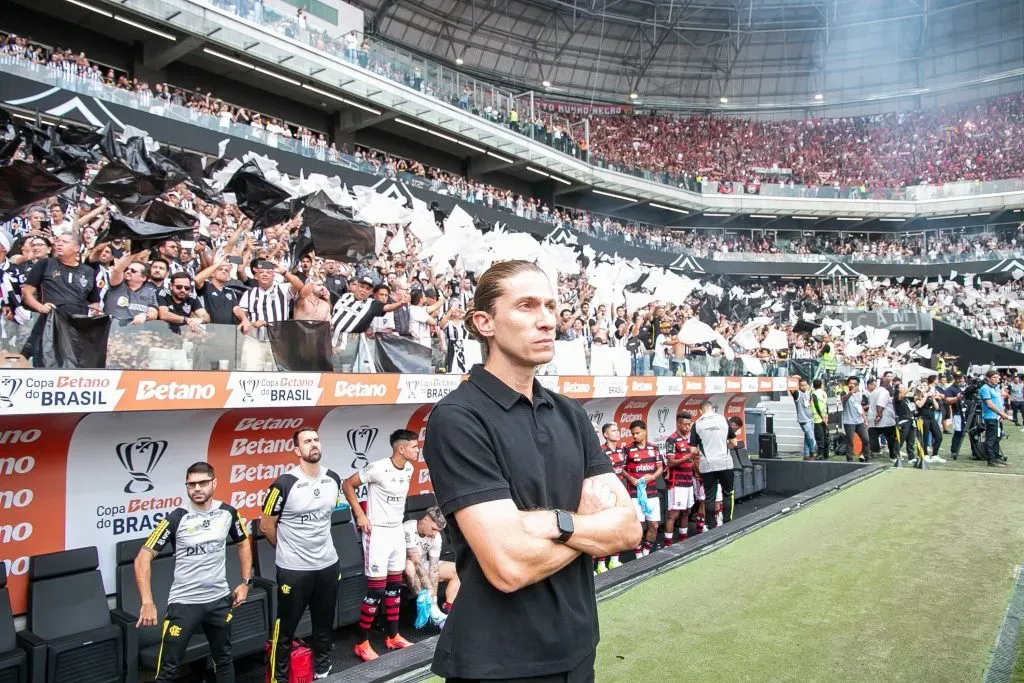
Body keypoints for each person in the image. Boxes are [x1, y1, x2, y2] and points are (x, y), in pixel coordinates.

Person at [422, 260, 641, 682]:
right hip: (499, 663)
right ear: (484, 322)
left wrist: (556, 523)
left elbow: (629, 529)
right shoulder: (458, 418)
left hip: (579, 648)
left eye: (551, 306)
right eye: (526, 306)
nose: (547, 320)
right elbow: (510, 567)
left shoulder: (570, 412)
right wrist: (588, 525)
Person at [134, 463, 252, 683]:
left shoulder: (228, 513)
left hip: (219, 600)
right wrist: (147, 601)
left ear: (214, 483)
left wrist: (245, 582)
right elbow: (142, 558)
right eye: (191, 484)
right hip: (185, 604)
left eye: (203, 483)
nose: (197, 488)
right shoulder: (176, 518)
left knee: (224, 660)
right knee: (168, 671)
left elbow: (243, 542)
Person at [260, 427, 342, 682]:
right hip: (294, 569)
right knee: (286, 629)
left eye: (316, 440)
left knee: (324, 625)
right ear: (297, 450)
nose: (313, 444)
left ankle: (322, 670)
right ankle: (280, 678)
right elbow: (266, 526)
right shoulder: (283, 484)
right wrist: (288, 549)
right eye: (307, 441)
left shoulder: (333, 478)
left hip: (327, 564)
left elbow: (325, 517)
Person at [342, 430, 417, 662]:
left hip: (396, 530)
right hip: (378, 532)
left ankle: (392, 636)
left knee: (395, 586)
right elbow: (347, 485)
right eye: (414, 446)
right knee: (376, 590)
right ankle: (361, 642)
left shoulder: (409, 468)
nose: (417, 450)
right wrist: (360, 514)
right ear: (401, 448)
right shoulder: (377, 468)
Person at [403, 506, 460, 629]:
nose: (434, 533)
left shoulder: (436, 536)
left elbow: (433, 567)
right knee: (410, 566)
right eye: (433, 529)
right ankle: (433, 611)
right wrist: (429, 587)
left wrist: (433, 595)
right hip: (404, 568)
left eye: (438, 530)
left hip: (423, 564)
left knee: (456, 570)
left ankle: (448, 611)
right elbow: (416, 562)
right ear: (425, 520)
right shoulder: (408, 528)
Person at [689, 401, 737, 531]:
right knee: (728, 493)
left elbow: (692, 450)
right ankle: (727, 523)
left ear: (700, 411)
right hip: (725, 463)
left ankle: (710, 525)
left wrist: (703, 452)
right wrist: (724, 447)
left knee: (710, 496)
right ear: (713, 409)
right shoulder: (723, 420)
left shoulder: (697, 424)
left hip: (707, 464)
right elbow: (734, 443)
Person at [622, 419, 663, 556]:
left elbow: (660, 467)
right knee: (639, 526)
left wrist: (653, 476)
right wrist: (631, 479)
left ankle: (646, 552)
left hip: (652, 492)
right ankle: (639, 555)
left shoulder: (654, 448)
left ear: (645, 432)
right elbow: (621, 469)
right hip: (635, 493)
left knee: (654, 525)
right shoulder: (627, 449)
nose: (635, 436)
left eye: (637, 433)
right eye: (633, 434)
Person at [594, 423, 627, 574]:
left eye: (618, 430)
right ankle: (601, 564)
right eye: (614, 430)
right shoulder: (601, 451)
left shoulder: (621, 451)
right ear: (605, 435)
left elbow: (622, 471)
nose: (617, 432)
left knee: (618, 528)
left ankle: (614, 560)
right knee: (604, 531)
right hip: (605, 496)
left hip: (619, 495)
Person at [662, 412, 695, 546]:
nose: (687, 427)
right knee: (673, 514)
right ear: (678, 423)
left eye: (689, 424)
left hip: (689, 481)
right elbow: (670, 462)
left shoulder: (691, 438)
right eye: (685, 424)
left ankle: (683, 540)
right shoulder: (672, 439)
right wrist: (687, 457)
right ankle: (668, 544)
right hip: (677, 482)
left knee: (687, 511)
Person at [979, 370, 1010, 468]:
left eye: (998, 377)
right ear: (988, 378)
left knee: (997, 437)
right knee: (991, 439)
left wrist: (1002, 414)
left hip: (997, 417)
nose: (997, 379)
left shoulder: (996, 387)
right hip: (991, 417)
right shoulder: (985, 388)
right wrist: (1001, 413)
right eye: (994, 377)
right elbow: (989, 404)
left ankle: (997, 457)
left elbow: (999, 401)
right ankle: (991, 460)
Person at [840, 377, 870, 462]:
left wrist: (865, 419)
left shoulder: (859, 394)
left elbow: (860, 407)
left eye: (854, 384)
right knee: (850, 441)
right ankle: (849, 459)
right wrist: (851, 392)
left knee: (866, 439)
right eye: (850, 383)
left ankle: (866, 457)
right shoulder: (844, 392)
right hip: (849, 421)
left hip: (860, 421)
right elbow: (843, 400)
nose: (852, 385)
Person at [870, 374, 899, 463]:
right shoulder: (884, 392)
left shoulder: (874, 391)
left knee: (871, 438)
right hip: (885, 421)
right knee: (892, 439)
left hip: (874, 419)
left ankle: (867, 454)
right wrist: (879, 415)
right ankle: (893, 456)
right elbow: (880, 404)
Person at [944, 374, 968, 459]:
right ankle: (954, 450)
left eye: (962, 378)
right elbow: (947, 400)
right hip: (958, 412)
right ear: (954, 379)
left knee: (973, 432)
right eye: (958, 378)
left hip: (968, 412)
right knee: (959, 432)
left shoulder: (967, 387)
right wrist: (957, 398)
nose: (961, 380)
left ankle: (976, 451)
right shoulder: (951, 389)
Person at [792, 379, 816, 460]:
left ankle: (806, 454)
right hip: (804, 420)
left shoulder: (808, 393)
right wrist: (795, 379)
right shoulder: (798, 394)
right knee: (811, 437)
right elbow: (792, 390)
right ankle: (812, 452)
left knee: (807, 438)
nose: (804, 387)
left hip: (811, 419)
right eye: (802, 385)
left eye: (805, 385)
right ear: (799, 386)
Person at [810, 378, 829, 460]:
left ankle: (820, 454)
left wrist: (821, 416)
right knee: (825, 436)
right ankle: (826, 453)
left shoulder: (814, 394)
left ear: (813, 385)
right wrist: (826, 416)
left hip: (818, 419)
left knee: (819, 437)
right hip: (825, 418)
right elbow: (826, 405)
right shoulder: (824, 393)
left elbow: (817, 406)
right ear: (821, 385)